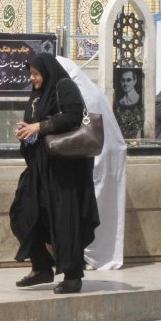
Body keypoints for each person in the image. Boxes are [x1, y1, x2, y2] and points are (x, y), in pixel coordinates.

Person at [10, 53, 100, 293]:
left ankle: (72, 276)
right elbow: (34, 121)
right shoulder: (38, 94)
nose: (33, 78)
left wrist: (39, 126)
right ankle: (41, 267)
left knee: (64, 220)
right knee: (24, 213)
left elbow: (72, 115)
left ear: (47, 71)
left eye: (36, 73)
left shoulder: (64, 86)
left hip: (64, 172)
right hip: (40, 168)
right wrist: (26, 129)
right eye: (31, 73)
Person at [58, 56, 126, 270]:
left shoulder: (78, 93)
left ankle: (88, 255)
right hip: (103, 157)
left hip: (93, 159)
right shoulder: (89, 90)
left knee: (89, 210)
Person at [114, 68, 143, 139]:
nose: (125, 83)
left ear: (135, 81)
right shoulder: (121, 101)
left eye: (129, 80)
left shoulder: (138, 98)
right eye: (123, 80)